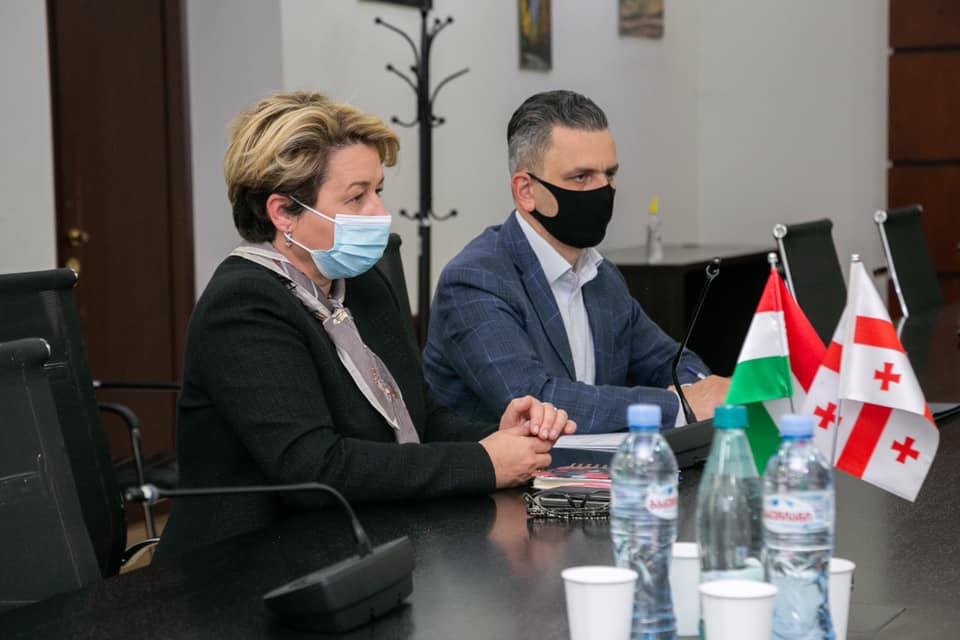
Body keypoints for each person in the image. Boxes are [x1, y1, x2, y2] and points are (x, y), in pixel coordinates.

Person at [157, 91, 575, 556]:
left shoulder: (363, 283)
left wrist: (502, 437)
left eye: (378, 190)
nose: (379, 212)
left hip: (365, 538)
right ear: (283, 213)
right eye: (357, 196)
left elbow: (420, 419)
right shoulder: (243, 307)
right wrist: (482, 462)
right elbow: (314, 468)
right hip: (246, 562)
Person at [423, 90, 729, 433]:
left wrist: (700, 391)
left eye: (609, 174)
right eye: (581, 177)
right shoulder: (475, 280)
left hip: (588, 465)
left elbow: (669, 362)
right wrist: (679, 406)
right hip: (499, 469)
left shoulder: (601, 276)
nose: (603, 190)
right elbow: (537, 402)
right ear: (526, 191)